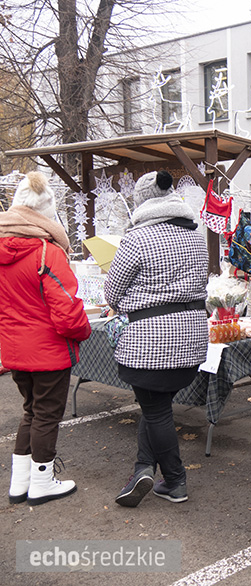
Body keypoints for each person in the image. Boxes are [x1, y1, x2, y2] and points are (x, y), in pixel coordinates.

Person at [105, 170, 208, 507]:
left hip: (149, 345)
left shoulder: (137, 238)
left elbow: (112, 292)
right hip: (192, 339)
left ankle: (176, 481)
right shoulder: (196, 235)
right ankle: (143, 469)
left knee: (156, 411)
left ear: (142, 201)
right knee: (156, 407)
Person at [0, 172, 92, 506]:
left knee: (31, 411)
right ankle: (42, 481)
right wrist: (84, 331)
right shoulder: (47, 252)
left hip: (14, 348)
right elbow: (68, 313)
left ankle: (19, 482)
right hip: (49, 351)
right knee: (46, 415)